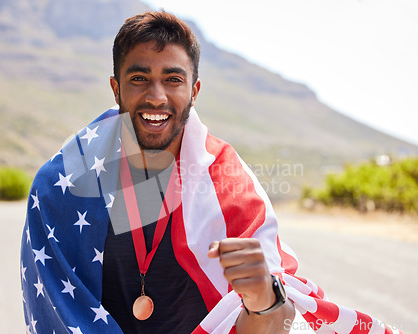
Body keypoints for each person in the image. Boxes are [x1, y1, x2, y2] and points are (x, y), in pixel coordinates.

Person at [21, 11, 403, 334]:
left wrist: (263, 299)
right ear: (116, 88)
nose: (156, 96)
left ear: (195, 91)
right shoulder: (63, 188)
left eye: (173, 79)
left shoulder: (228, 186)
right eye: (139, 79)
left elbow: (276, 324)